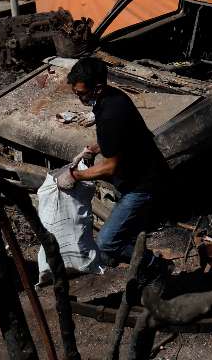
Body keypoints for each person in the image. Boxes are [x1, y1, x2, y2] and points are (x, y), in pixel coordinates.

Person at [54, 56, 168, 265]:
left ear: (97, 88)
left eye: (81, 93)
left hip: (141, 185)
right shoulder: (111, 98)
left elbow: (111, 166)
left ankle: (157, 266)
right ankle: (139, 271)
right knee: (126, 236)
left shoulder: (111, 113)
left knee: (107, 242)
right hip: (133, 177)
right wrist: (96, 148)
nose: (79, 98)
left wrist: (74, 175)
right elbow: (125, 137)